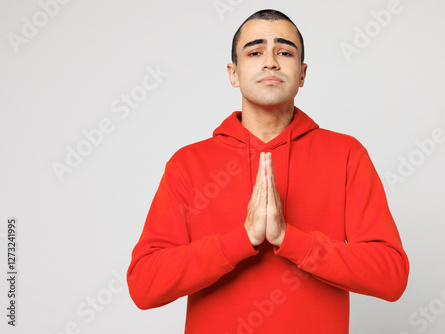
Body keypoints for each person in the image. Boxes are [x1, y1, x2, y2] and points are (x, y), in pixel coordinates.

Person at [127, 9, 409, 334]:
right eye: (255, 51)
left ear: (302, 74)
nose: (270, 62)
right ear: (233, 73)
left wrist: (290, 239)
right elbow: (143, 285)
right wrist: (240, 240)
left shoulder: (346, 155)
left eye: (285, 52)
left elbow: (392, 276)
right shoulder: (188, 164)